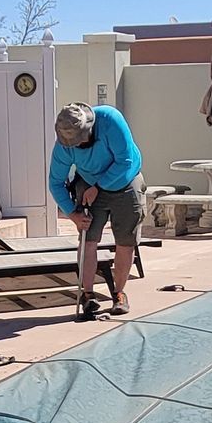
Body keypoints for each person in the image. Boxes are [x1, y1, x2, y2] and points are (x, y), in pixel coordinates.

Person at [50, 101, 145, 317]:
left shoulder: (111, 120)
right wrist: (72, 214)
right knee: (88, 238)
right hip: (88, 181)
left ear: (89, 127)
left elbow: (126, 162)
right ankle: (88, 295)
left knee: (125, 240)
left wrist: (99, 187)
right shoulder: (64, 145)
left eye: (80, 140)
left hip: (125, 179)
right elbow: (55, 182)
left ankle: (119, 293)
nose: (78, 145)